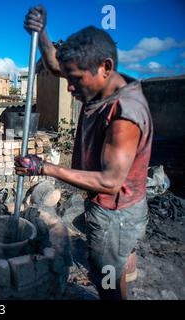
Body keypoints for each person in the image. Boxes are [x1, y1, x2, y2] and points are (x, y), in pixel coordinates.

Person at [17, 5, 153, 300]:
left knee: (105, 280)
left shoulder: (124, 115)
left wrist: (45, 168)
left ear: (105, 67)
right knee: (114, 268)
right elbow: (55, 64)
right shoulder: (102, 84)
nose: (70, 88)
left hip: (115, 213)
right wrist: (41, 32)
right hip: (117, 208)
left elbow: (109, 181)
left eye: (76, 80)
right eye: (69, 79)